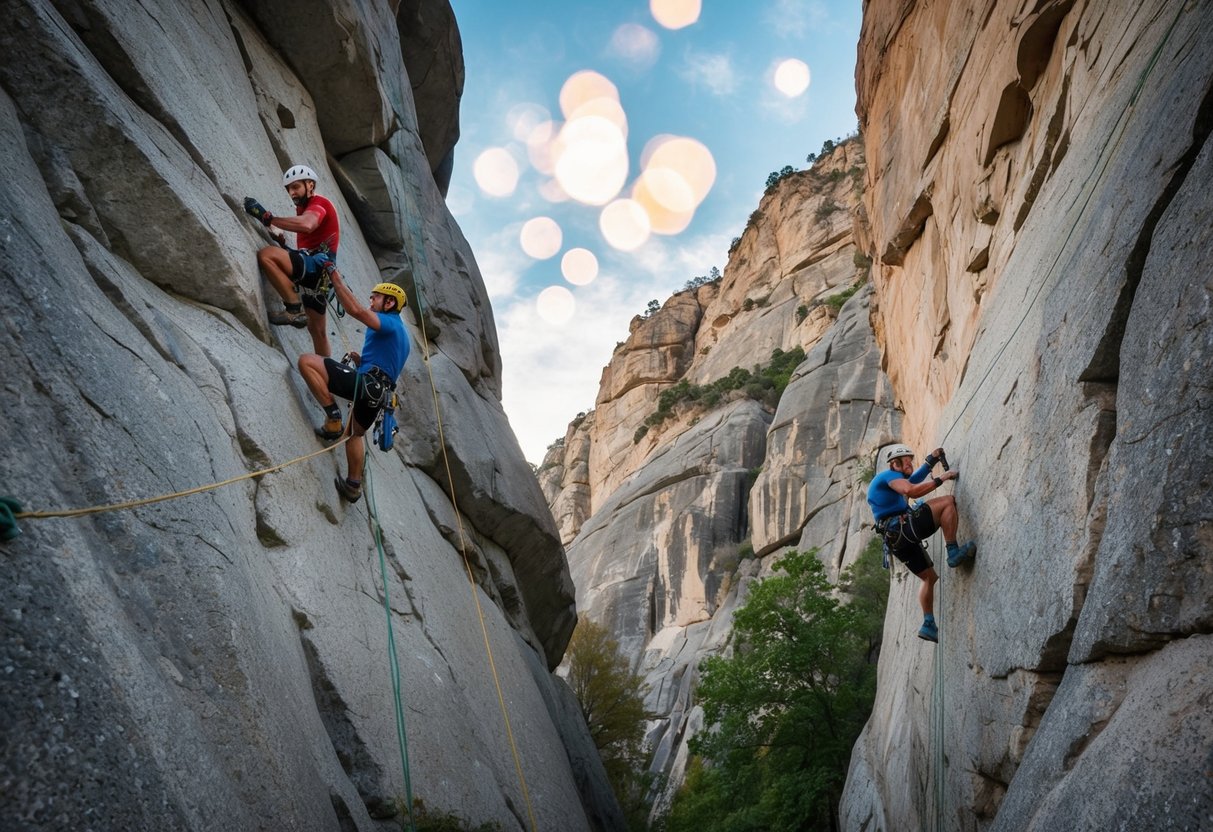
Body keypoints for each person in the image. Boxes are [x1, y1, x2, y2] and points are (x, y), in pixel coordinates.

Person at [297, 269, 410, 504]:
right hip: (379, 394)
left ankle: (333, 417)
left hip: (367, 384)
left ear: (389, 302)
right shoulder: (403, 335)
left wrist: (335, 277)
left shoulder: (389, 322)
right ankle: (353, 485)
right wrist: (363, 364)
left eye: (375, 298)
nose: (371, 302)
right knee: (355, 434)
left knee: (307, 362)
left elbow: (355, 311)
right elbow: (387, 364)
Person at [867, 443, 977, 642]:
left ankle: (928, 624)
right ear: (895, 463)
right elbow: (912, 489)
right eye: (906, 461)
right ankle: (952, 551)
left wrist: (931, 459)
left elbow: (914, 478)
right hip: (903, 528)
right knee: (947, 502)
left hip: (896, 541)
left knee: (929, 578)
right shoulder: (888, 476)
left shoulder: (893, 479)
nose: (910, 463)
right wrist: (941, 478)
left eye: (911, 460)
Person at [244, 164, 341, 356]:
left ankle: (293, 308)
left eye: (296, 186)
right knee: (317, 331)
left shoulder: (319, 204)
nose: (292, 192)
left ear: (310, 185)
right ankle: (326, 373)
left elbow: (307, 224)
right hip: (321, 274)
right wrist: (282, 240)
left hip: (315, 266)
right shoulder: (305, 209)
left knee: (267, 255)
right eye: (289, 189)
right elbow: (307, 242)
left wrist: (268, 218)